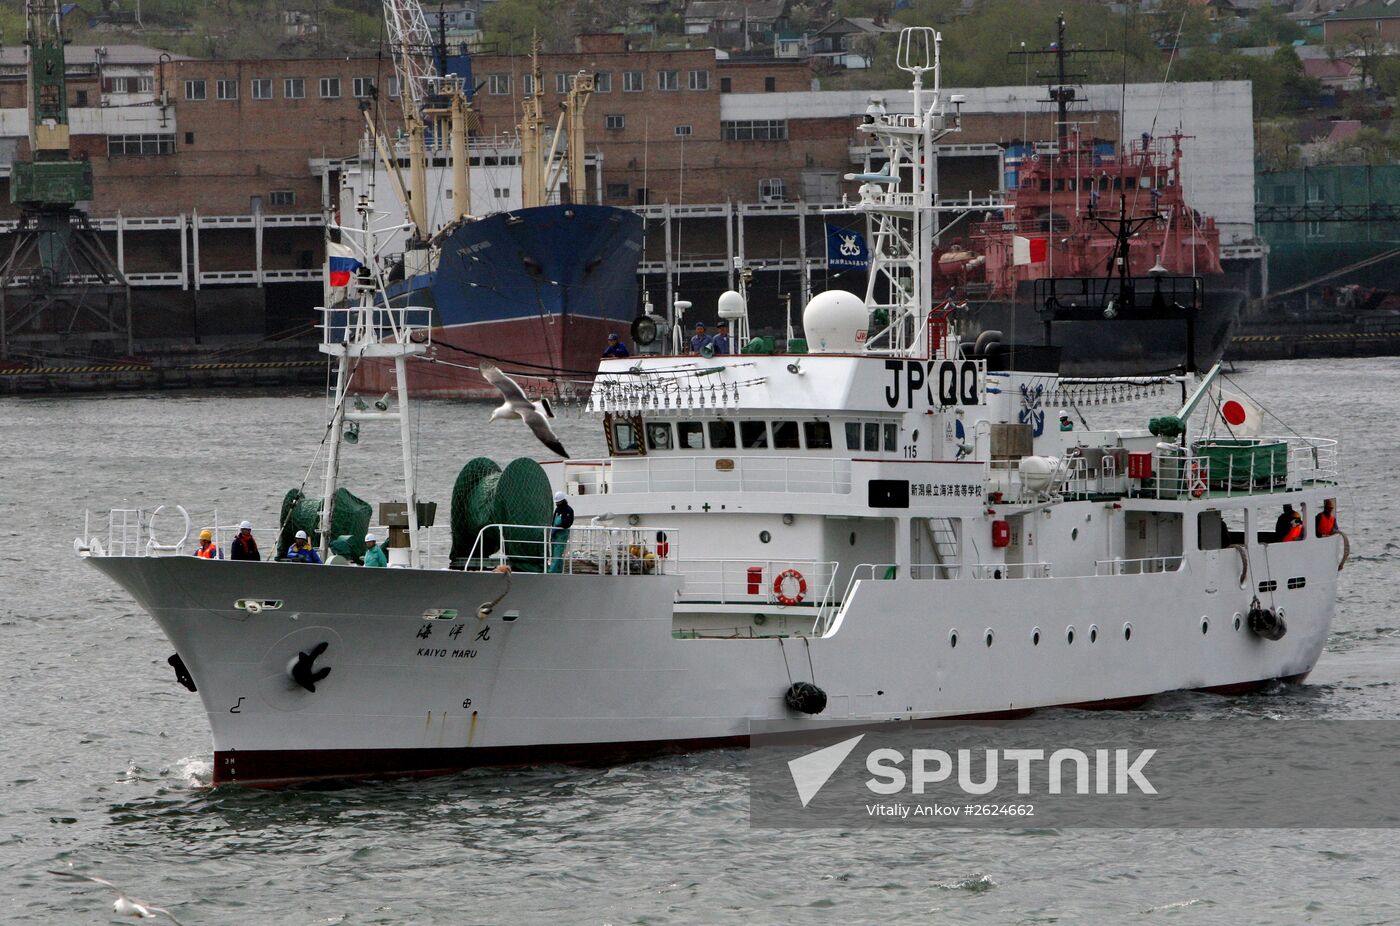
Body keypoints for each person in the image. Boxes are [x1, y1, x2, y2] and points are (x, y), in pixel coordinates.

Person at [548, 490, 574, 574]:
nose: (557, 504)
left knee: (557, 553)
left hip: (562, 534)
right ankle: (558, 570)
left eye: (558, 502)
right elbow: (553, 520)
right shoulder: (557, 510)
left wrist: (558, 529)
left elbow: (567, 523)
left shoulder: (568, 510)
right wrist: (552, 530)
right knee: (554, 552)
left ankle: (552, 571)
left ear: (563, 501)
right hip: (554, 534)